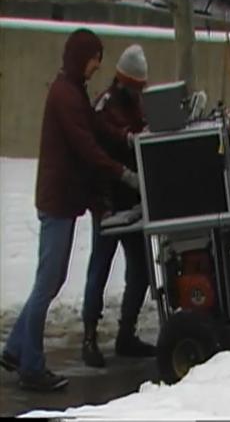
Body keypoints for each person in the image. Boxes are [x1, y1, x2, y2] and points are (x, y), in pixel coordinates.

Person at [0, 29, 139, 392]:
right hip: (57, 201)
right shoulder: (64, 94)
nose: (97, 66)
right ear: (81, 56)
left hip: (63, 200)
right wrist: (122, 172)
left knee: (52, 279)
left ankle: (15, 349)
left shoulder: (73, 90)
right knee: (48, 282)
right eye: (95, 58)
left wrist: (125, 137)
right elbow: (85, 145)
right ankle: (31, 367)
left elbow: (96, 127)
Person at [81, 44, 155, 368]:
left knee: (140, 269)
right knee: (100, 267)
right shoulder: (105, 106)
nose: (139, 93)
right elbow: (103, 140)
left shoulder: (136, 103)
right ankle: (89, 336)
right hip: (108, 202)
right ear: (123, 80)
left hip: (133, 201)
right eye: (136, 86)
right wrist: (127, 137)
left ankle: (126, 332)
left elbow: (142, 130)